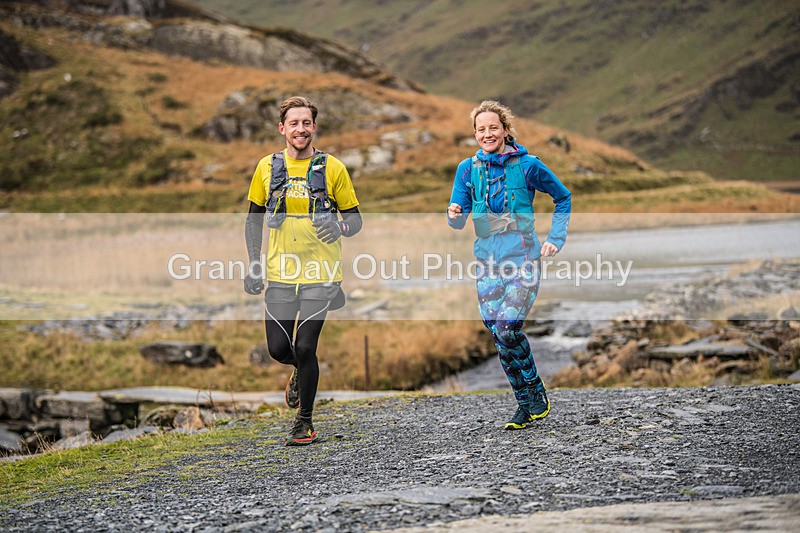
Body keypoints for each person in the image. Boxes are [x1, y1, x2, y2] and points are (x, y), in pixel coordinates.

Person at [244, 95, 362, 446]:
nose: (300, 129)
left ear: (314, 127)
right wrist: (253, 263)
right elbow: (253, 220)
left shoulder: (333, 168)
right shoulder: (266, 167)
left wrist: (340, 227)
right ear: (282, 128)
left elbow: (355, 220)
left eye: (306, 123)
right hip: (280, 272)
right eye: (294, 123)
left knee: (306, 347)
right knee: (279, 349)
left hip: (321, 272)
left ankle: (304, 421)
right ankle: (299, 370)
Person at [447, 100, 571, 430]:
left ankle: (535, 389)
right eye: (481, 129)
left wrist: (555, 238)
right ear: (475, 134)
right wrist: (453, 214)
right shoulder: (467, 169)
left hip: (524, 258)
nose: (487, 133)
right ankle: (524, 404)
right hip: (487, 262)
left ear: (505, 130)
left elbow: (563, 197)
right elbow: (457, 218)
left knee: (507, 328)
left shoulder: (529, 165)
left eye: (493, 127)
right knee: (498, 335)